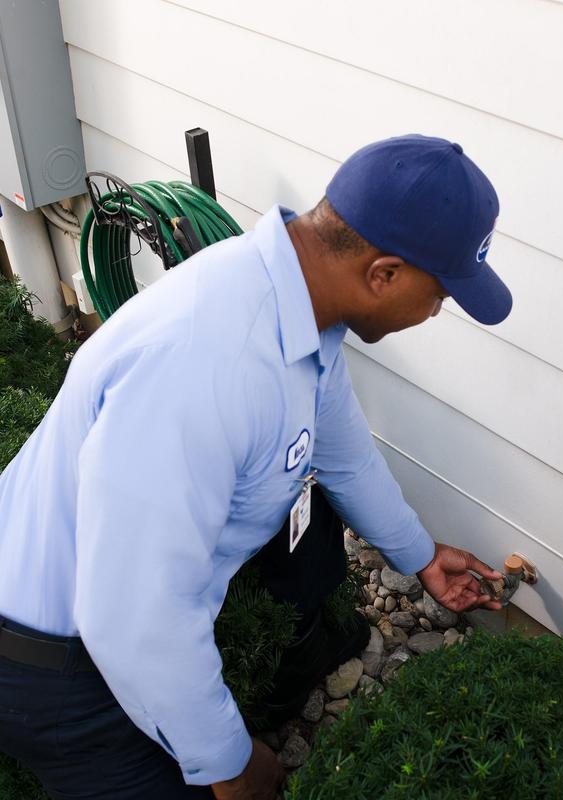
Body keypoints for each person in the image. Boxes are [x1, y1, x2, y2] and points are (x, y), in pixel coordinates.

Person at [0, 134, 513, 799]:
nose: (436, 311)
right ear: (383, 273)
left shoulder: (298, 303)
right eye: (440, 293)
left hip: (100, 611)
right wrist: (229, 764)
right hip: (48, 661)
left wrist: (421, 556)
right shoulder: (211, 368)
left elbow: (344, 455)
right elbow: (134, 617)